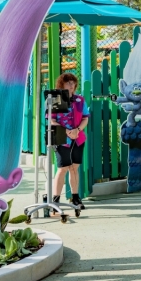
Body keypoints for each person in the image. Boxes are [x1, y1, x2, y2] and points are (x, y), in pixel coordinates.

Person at [51, 73, 88, 210]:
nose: (71, 85)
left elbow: (85, 118)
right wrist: (66, 131)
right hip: (61, 137)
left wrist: (77, 130)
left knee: (74, 167)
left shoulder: (80, 100)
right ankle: (55, 200)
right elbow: (52, 119)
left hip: (78, 137)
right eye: (68, 82)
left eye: (73, 82)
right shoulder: (57, 99)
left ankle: (75, 198)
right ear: (62, 84)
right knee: (63, 168)